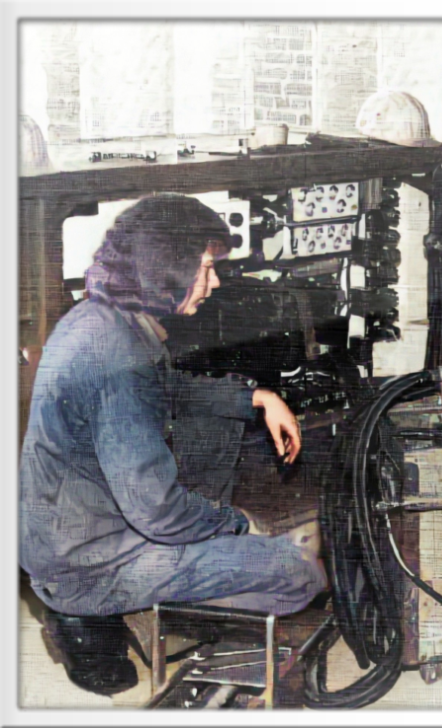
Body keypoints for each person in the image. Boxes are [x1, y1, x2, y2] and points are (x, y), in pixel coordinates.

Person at [19, 194, 328, 695]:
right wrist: (237, 525)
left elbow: (162, 389)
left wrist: (255, 397)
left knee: (216, 426)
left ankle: (155, 596)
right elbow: (158, 512)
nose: (215, 282)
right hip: (88, 566)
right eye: (205, 269)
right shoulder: (118, 357)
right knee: (299, 573)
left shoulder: (101, 318)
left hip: (71, 532)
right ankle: (95, 616)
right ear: (166, 267)